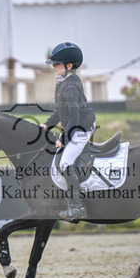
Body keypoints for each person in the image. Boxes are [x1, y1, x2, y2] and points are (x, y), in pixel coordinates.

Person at [40, 42, 96, 221]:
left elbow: (74, 118)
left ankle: (78, 207)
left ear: (69, 66)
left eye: (57, 64)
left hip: (81, 128)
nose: (54, 67)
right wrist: (47, 125)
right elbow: (60, 111)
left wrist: (63, 139)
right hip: (75, 125)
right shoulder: (63, 81)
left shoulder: (70, 86)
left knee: (65, 164)